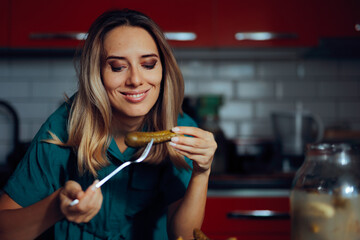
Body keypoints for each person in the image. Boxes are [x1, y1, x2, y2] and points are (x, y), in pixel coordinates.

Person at [0, 9, 217, 240]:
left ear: (163, 70)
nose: (135, 80)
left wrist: (202, 172)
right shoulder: (64, 126)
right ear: (97, 74)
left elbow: (182, 235)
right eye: (117, 67)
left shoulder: (179, 130)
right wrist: (56, 207)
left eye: (149, 64)